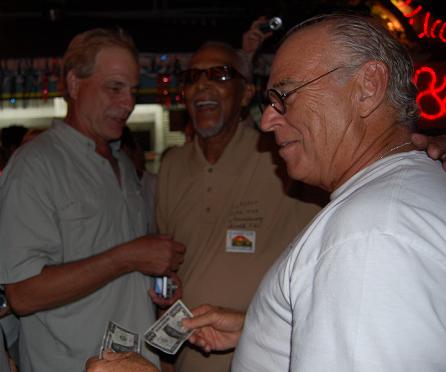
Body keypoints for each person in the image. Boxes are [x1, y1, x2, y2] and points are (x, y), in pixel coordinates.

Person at [182, 13, 446, 372]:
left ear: (367, 86)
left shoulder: (368, 236)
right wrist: (263, 332)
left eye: (285, 96)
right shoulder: (390, 202)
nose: (267, 121)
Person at [0, 28, 185, 372]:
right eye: (114, 87)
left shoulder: (123, 166)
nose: (128, 103)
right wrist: (128, 258)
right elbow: (22, 294)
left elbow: (109, 265)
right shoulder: (34, 166)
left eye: (132, 90)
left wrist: (155, 281)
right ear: (73, 84)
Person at [156, 39, 322, 372]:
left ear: (245, 94)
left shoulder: (280, 155)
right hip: (188, 356)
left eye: (219, 75)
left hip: (265, 357)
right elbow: (169, 262)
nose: (202, 84)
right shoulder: (171, 165)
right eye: (192, 77)